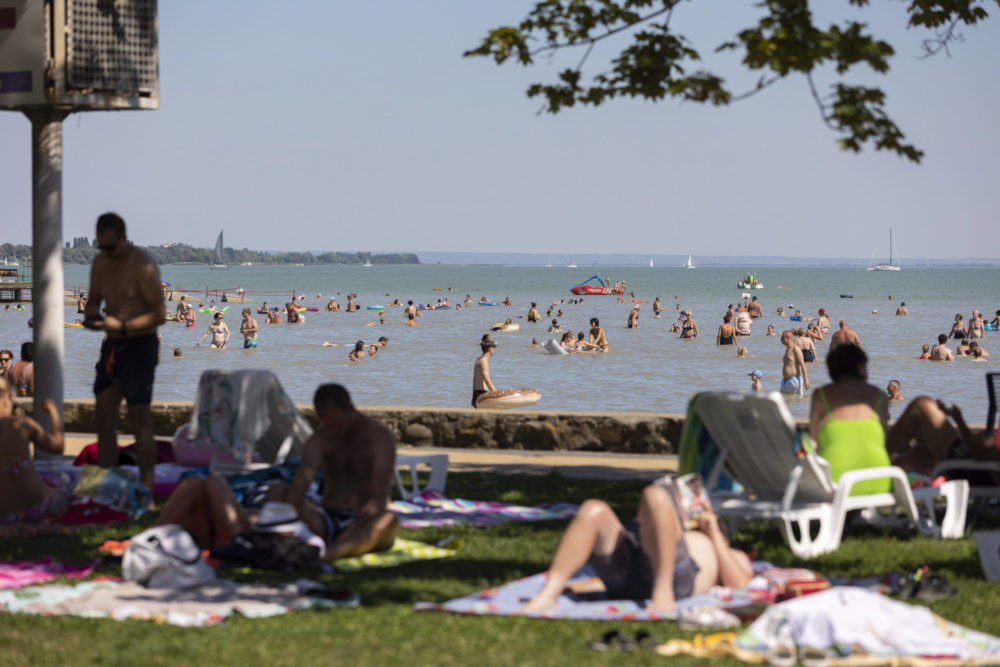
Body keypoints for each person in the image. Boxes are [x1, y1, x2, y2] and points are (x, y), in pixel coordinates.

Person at [520, 483, 752, 614]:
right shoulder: (675, 530)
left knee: (656, 495)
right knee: (594, 508)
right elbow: (597, 582)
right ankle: (548, 594)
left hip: (673, 581)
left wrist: (715, 536)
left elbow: (739, 584)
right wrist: (578, 587)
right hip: (632, 572)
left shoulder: (727, 551)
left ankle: (663, 596)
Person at [82, 213, 166, 492]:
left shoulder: (143, 266)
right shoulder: (100, 264)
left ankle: (147, 488)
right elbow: (93, 302)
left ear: (123, 238)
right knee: (104, 414)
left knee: (138, 418)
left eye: (110, 247)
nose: (106, 252)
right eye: (101, 247)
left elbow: (159, 315)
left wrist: (124, 325)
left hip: (141, 345)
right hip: (112, 345)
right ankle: (107, 485)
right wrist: (93, 317)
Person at [276, 385, 399, 559]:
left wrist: (357, 526)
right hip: (329, 519)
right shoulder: (321, 438)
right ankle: (289, 544)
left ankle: (328, 555)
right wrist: (288, 517)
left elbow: (379, 493)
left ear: (350, 409)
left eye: (338, 422)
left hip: (366, 518)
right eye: (328, 424)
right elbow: (301, 482)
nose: (334, 429)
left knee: (388, 518)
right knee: (279, 490)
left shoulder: (378, 437)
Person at [808, 344, 892, 495]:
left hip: (833, 483)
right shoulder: (880, 396)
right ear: (861, 367)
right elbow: (883, 441)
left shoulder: (820, 396)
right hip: (877, 482)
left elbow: (813, 442)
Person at [0, 380, 68, 524]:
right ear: (7, 400)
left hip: (4, 515)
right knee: (66, 482)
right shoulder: (22, 424)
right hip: (37, 508)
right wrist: (54, 411)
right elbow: (58, 446)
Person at [886, 397, 999, 476]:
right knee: (922, 446)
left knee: (921, 405)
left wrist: (959, 421)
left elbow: (980, 454)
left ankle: (882, 457)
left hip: (974, 469)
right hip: (974, 463)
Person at [780, 329, 810, 395]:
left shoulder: (796, 348)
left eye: (782, 338)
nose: (781, 340)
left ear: (788, 338)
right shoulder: (787, 349)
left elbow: (803, 364)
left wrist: (806, 380)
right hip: (785, 380)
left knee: (795, 401)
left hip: (794, 380)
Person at [472, 340, 497, 407]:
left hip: (476, 393)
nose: (494, 351)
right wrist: (496, 394)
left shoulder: (478, 360)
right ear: (490, 349)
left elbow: (474, 379)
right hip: (481, 393)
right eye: (494, 349)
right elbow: (487, 380)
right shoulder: (484, 361)